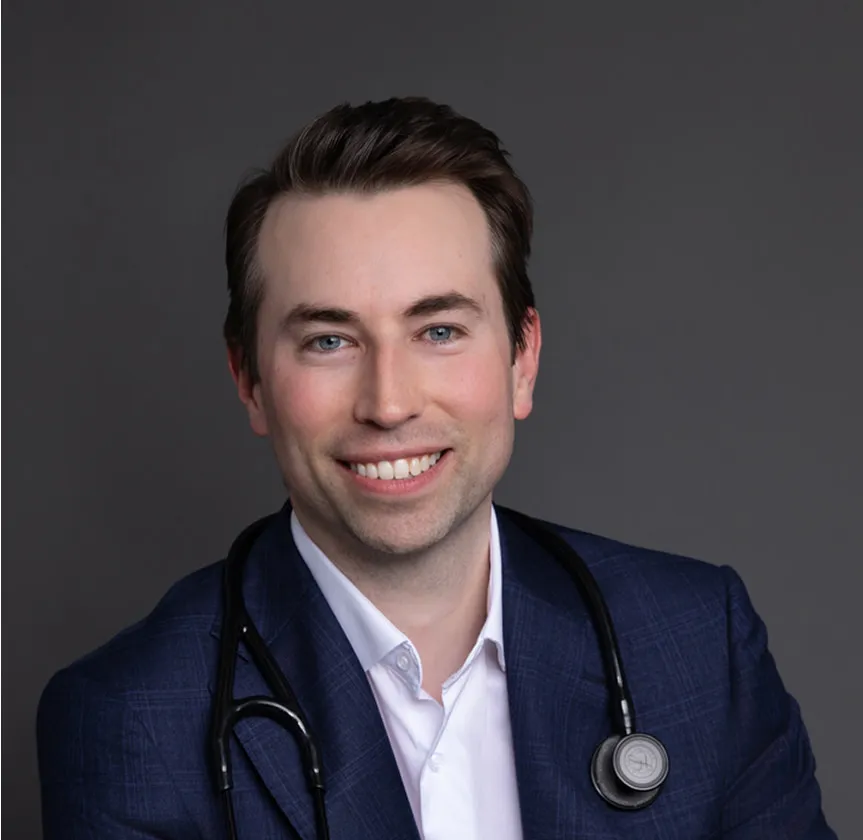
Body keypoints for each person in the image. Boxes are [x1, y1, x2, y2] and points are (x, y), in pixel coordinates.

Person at [37, 96, 836, 839]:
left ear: (522, 360)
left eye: (440, 331)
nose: (388, 404)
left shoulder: (698, 645)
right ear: (249, 382)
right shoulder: (129, 719)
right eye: (328, 340)